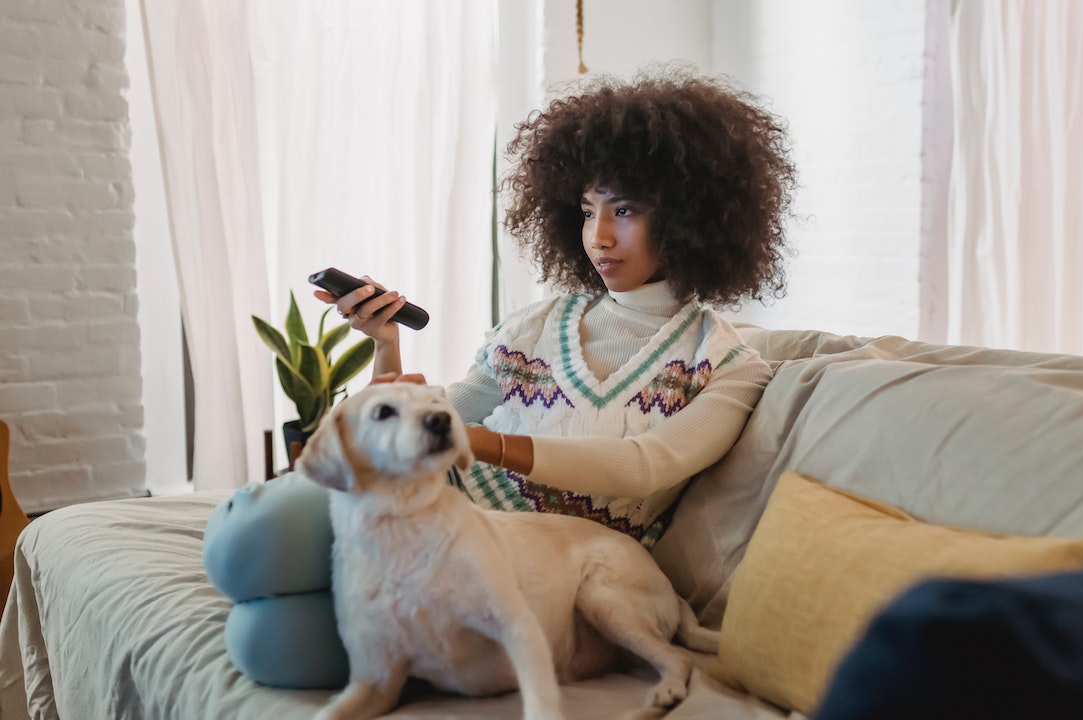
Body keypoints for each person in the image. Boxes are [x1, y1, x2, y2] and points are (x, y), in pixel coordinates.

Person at [203, 66, 797, 690]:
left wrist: (484, 443)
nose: (598, 237)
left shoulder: (726, 364)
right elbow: (445, 410)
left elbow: (644, 464)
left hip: (529, 569)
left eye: (625, 210)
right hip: (423, 513)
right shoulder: (535, 325)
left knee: (267, 644)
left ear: (691, 217)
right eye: (587, 209)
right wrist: (387, 348)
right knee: (249, 545)